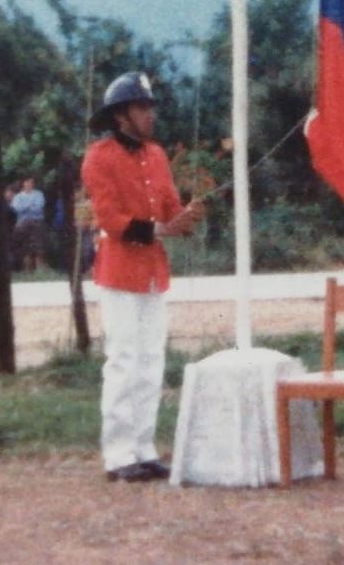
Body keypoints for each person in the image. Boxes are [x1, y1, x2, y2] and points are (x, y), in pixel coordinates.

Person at [82, 71, 202, 483]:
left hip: (152, 272)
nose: (150, 115)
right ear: (121, 116)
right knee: (124, 361)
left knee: (151, 362)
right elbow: (110, 219)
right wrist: (159, 229)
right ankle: (118, 454)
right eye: (141, 107)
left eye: (150, 107)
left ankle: (144, 448)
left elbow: (167, 206)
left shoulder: (156, 154)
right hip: (119, 271)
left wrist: (183, 217)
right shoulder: (100, 156)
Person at [10, 176, 46, 272]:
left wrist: (24, 208)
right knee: (24, 245)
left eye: (31, 182)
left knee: (38, 244)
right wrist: (30, 205)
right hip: (22, 223)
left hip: (36, 221)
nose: (29, 184)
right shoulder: (18, 197)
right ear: (24, 184)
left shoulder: (39, 194)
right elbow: (16, 209)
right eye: (27, 182)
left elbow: (39, 207)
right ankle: (26, 268)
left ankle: (40, 268)